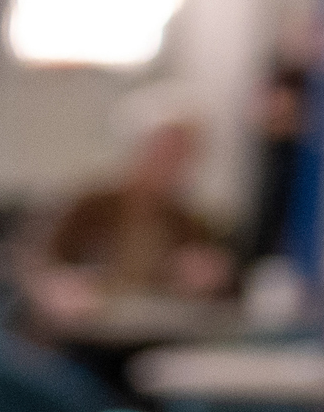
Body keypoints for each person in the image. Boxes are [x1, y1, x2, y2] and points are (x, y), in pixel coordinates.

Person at [24, 91, 234, 333]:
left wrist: (211, 280)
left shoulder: (189, 222)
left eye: (183, 156)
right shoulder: (89, 205)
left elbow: (216, 295)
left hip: (153, 335)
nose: (172, 165)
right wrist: (56, 287)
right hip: (83, 335)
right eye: (164, 152)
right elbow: (37, 264)